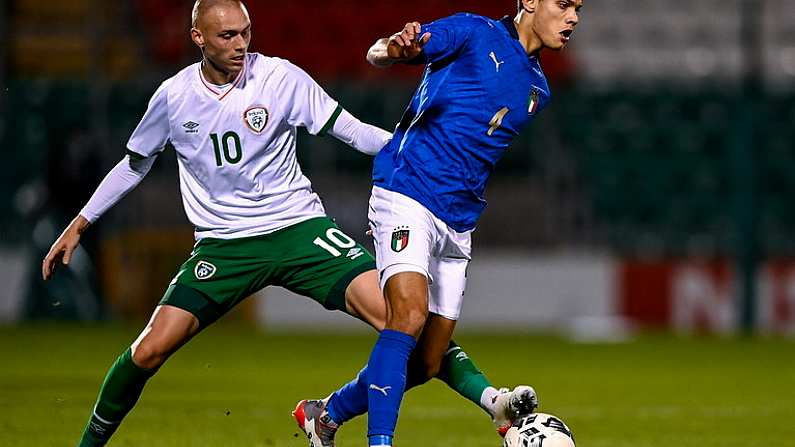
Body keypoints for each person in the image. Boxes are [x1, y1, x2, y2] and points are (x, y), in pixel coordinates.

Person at [41, 1, 535, 445]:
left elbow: (351, 130)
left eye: (245, 32)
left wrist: (420, 163)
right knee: (147, 352)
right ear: (198, 39)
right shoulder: (172, 98)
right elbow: (134, 163)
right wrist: (80, 223)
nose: (240, 45)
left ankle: (491, 401)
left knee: (405, 321)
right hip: (224, 245)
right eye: (226, 36)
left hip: (301, 231)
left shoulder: (280, 77)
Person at [298, 1, 583, 446]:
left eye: (578, 8)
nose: (573, 18)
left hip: (459, 218)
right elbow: (385, 50)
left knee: (428, 362)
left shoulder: (538, 88)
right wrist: (395, 50)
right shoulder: (472, 32)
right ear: (529, 0)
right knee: (407, 317)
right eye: (564, 4)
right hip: (406, 191)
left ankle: (326, 414)